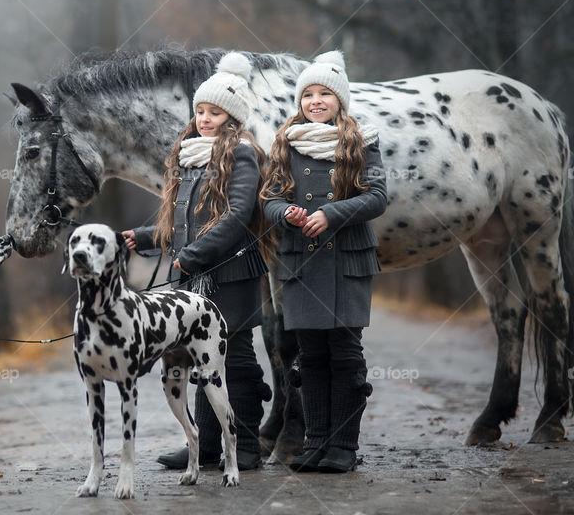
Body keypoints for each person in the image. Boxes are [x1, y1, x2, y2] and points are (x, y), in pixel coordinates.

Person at [123, 51, 272, 471]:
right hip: (196, 272)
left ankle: (243, 448)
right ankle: (207, 447)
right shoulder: (190, 154)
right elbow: (187, 220)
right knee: (198, 356)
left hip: (231, 274)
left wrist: (190, 256)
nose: (205, 118)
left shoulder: (241, 154)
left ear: (232, 117)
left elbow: (237, 215)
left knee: (236, 357)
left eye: (215, 112)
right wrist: (150, 237)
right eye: (201, 110)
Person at [260, 50, 387, 473]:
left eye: (325, 94)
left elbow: (377, 197)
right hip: (300, 265)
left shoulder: (362, 141)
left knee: (345, 354)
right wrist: (286, 214)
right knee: (309, 357)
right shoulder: (285, 143)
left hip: (347, 264)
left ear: (340, 100)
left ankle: (343, 448)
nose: (316, 101)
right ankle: (315, 444)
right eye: (308, 94)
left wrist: (331, 213)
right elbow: (271, 198)